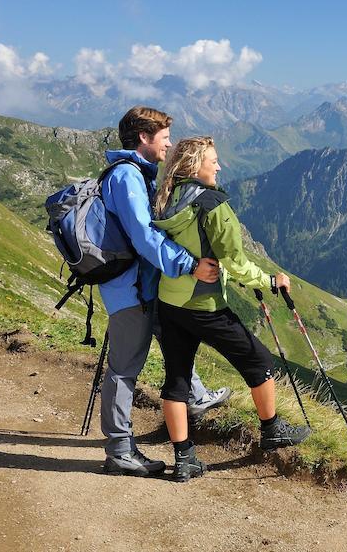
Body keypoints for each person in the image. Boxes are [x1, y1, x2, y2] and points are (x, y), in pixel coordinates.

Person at [153, 136, 310, 482]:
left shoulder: (168, 196)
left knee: (176, 379)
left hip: (169, 301)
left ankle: (184, 459)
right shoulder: (213, 205)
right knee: (259, 361)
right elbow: (234, 261)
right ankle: (272, 429)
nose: (220, 167)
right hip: (203, 303)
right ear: (196, 166)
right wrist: (269, 281)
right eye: (214, 160)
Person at [98, 107, 233, 477]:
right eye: (165, 137)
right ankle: (119, 450)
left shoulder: (138, 173)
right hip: (129, 290)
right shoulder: (126, 177)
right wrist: (188, 264)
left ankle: (194, 394)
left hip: (142, 285)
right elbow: (144, 236)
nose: (169, 144)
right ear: (144, 137)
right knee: (124, 369)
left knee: (171, 338)